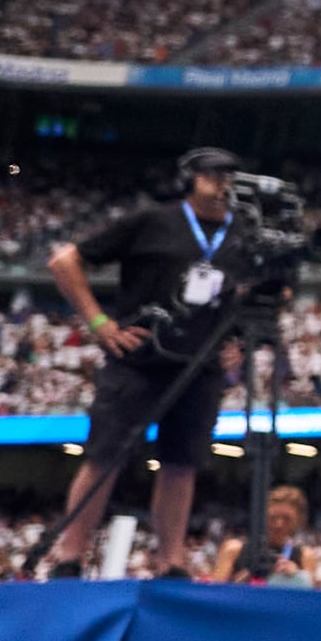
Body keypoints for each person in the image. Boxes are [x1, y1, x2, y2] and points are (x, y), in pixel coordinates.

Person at [41, 148, 249, 577]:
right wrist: (100, 322)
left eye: (228, 174)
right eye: (210, 173)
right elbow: (64, 261)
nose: (221, 181)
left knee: (182, 462)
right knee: (105, 456)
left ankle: (170, 561)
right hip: (138, 356)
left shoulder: (244, 233)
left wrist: (241, 339)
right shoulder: (153, 220)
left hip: (200, 363)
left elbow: (265, 291)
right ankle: (70, 555)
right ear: (189, 178)